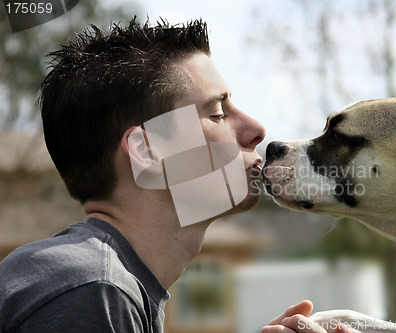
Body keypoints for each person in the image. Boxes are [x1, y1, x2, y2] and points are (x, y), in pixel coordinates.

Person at [0, 17, 338, 333]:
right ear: (147, 151)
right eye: (219, 113)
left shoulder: (97, 283)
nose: (257, 130)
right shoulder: (92, 290)